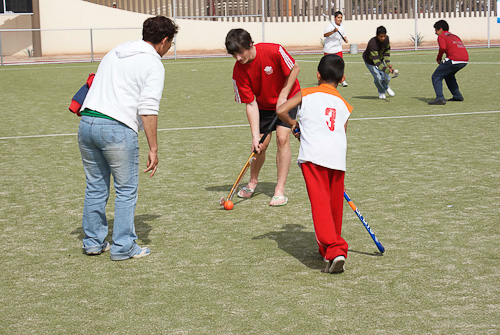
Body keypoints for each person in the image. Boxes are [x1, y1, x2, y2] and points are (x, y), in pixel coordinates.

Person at [78, 16, 178, 261]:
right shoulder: (153, 63)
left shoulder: (116, 51)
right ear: (164, 40)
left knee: (95, 186)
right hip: (117, 128)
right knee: (126, 191)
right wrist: (153, 148)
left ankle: (93, 242)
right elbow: (148, 108)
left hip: (87, 122)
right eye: (170, 43)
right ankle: (123, 247)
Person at [276, 54, 353, 274]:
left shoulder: (307, 93)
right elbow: (341, 132)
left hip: (313, 157)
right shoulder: (345, 105)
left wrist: (294, 124)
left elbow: (281, 110)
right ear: (342, 78)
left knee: (320, 205)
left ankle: (336, 249)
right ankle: (327, 249)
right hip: (337, 158)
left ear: (317, 74)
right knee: (333, 206)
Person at [225, 28, 301, 207]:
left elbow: (294, 68)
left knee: (282, 139)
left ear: (250, 45)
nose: (238, 58)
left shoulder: (273, 50)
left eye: (240, 52)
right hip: (263, 106)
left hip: (288, 99)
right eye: (233, 54)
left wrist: (283, 94)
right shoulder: (239, 71)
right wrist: (254, 137)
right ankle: (253, 181)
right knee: (260, 144)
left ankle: (279, 190)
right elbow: (250, 104)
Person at [428, 20, 468, 105]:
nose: (435, 33)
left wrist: (439, 58)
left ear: (441, 29)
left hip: (454, 59)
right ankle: (457, 96)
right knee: (449, 75)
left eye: (436, 30)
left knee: (436, 77)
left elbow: (442, 48)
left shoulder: (441, 36)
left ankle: (440, 99)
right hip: (464, 60)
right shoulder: (455, 36)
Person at [362, 26, 395, 99]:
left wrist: (388, 64)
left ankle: (386, 87)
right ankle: (381, 91)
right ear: (377, 36)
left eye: (384, 36)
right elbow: (376, 62)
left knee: (386, 78)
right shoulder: (372, 43)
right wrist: (387, 70)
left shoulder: (387, 39)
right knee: (378, 78)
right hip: (370, 61)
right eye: (381, 36)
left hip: (380, 59)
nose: (383, 38)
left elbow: (386, 52)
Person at [323, 11, 349, 87]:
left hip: (338, 49)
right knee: (327, 66)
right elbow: (325, 34)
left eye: (341, 18)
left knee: (340, 65)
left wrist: (345, 39)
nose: (340, 19)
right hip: (329, 49)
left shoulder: (342, 27)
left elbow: (344, 35)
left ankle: (342, 80)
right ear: (335, 18)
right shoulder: (330, 26)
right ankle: (326, 80)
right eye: (338, 17)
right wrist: (333, 31)